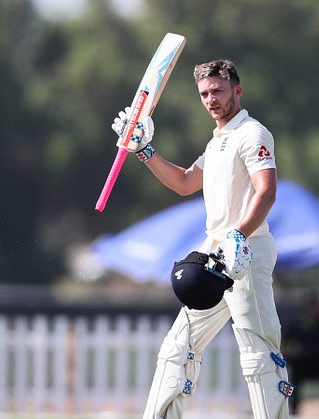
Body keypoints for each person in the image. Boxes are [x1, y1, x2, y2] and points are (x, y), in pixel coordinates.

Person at [111, 59, 292, 419]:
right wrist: (143, 150)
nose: (211, 99)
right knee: (179, 348)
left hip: (247, 250)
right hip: (216, 256)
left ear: (237, 90)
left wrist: (239, 236)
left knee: (257, 353)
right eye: (205, 93)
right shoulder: (218, 142)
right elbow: (183, 182)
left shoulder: (252, 133)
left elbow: (266, 191)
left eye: (218, 91)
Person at [283, 292, 319, 415]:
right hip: (302, 366)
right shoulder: (297, 326)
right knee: (292, 373)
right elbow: (286, 347)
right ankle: (293, 409)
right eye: (312, 306)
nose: (315, 309)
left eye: (318, 306)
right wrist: (294, 353)